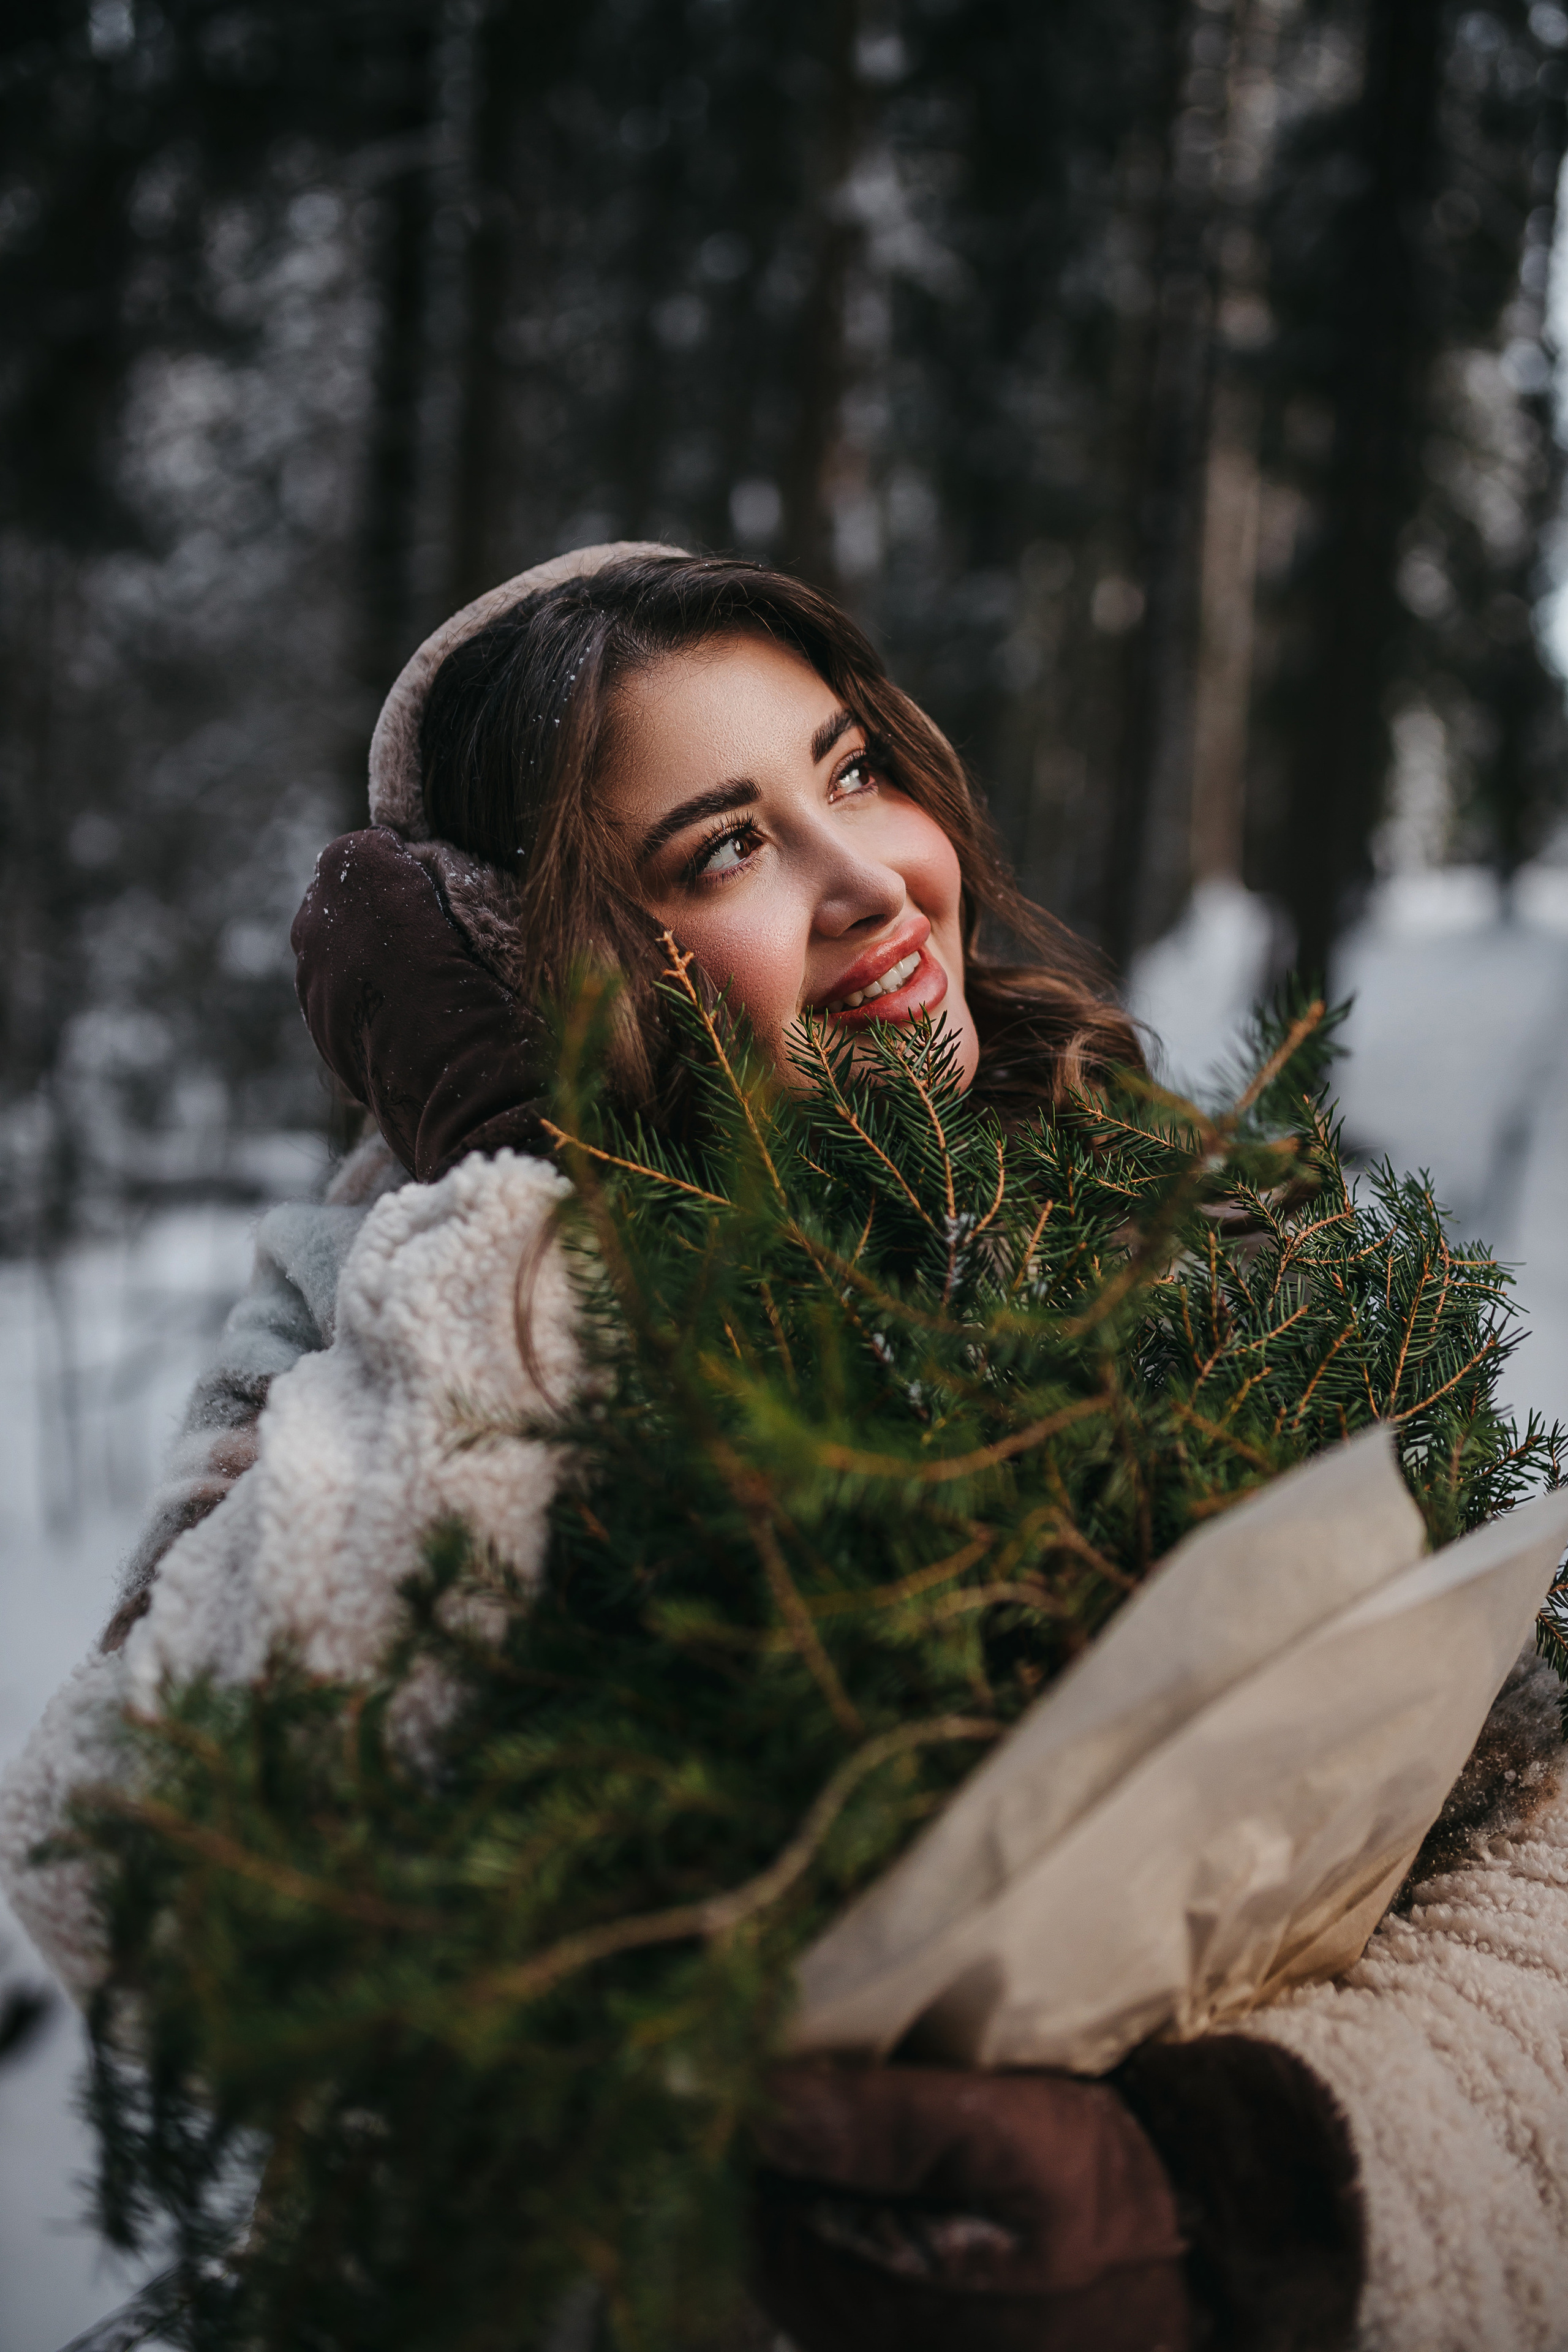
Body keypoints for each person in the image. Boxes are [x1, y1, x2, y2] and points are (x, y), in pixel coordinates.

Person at [7, 544, 1568, 2352]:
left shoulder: (1205, 1253)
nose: (871, 885)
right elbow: (135, 1867)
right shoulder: (401, 1288)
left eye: (854, 772)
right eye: (724, 848)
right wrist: (533, 1198)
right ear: (540, 949)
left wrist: (1232, 2206)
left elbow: (1535, 1843)